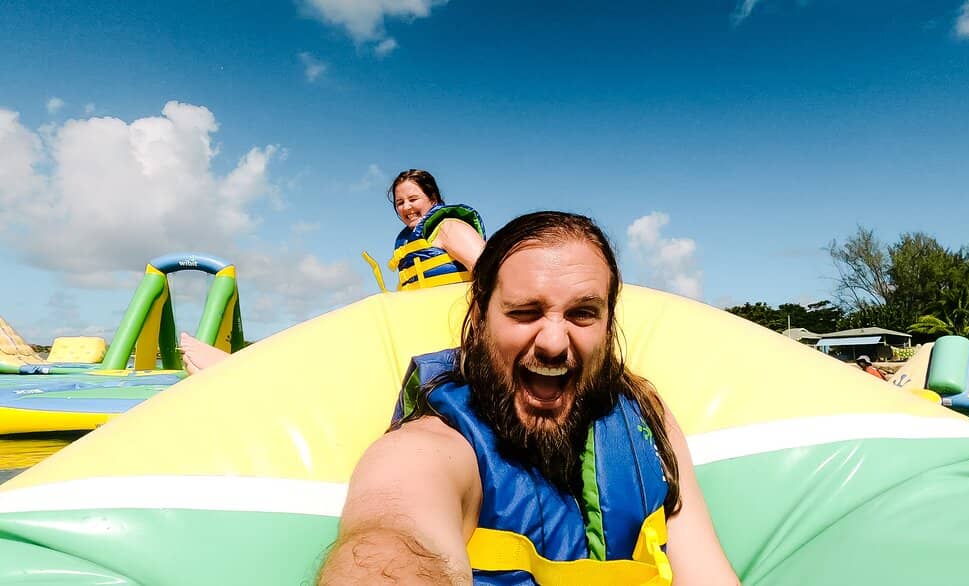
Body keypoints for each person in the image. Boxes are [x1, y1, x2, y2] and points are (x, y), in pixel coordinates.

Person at [318, 211, 738, 585]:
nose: (554, 342)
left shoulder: (646, 417)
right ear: (480, 319)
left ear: (609, 326)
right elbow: (393, 537)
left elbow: (705, 570)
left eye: (582, 314)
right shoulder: (436, 443)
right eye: (524, 312)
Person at [180, 169, 486, 375]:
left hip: (449, 330)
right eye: (399, 202)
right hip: (419, 326)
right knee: (336, 335)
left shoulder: (448, 227)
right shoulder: (413, 240)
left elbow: (492, 271)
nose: (406, 208)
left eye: (413, 199)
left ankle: (239, 372)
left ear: (433, 199)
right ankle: (241, 368)